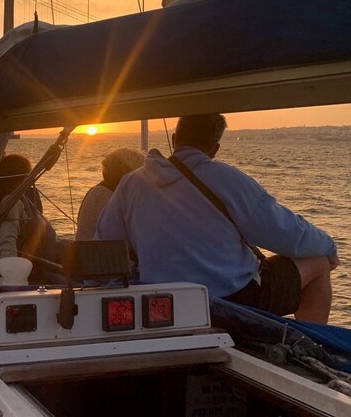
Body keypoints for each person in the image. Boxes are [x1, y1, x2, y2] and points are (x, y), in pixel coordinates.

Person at [96, 113, 339, 323]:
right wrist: (328, 246)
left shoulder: (132, 183)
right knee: (318, 261)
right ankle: (315, 349)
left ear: (174, 140)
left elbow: (105, 245)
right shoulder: (227, 179)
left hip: (161, 302)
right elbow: (284, 232)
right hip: (231, 301)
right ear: (214, 149)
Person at [0, 154, 60, 262]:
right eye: (28, 176)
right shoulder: (11, 204)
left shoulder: (17, 197)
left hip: (51, 247)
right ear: (20, 178)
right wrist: (10, 269)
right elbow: (7, 241)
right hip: (47, 256)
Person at [76, 148, 144, 241]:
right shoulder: (106, 198)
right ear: (126, 172)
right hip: (103, 254)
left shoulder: (98, 191)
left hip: (90, 253)